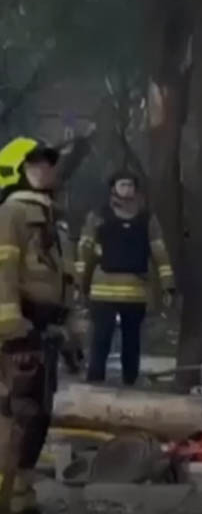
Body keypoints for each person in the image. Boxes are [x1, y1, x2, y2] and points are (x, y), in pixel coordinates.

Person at [0, 137, 72, 514]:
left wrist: (71, 329)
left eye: (48, 163)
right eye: (35, 164)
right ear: (15, 170)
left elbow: (62, 278)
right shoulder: (11, 213)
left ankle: (21, 493)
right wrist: (11, 326)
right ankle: (6, 493)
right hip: (21, 329)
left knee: (39, 414)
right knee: (20, 413)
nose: (45, 169)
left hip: (44, 330)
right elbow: (4, 272)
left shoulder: (48, 215)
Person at [76, 171, 175, 386]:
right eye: (122, 185)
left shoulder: (147, 218)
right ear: (113, 188)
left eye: (130, 185)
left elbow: (160, 252)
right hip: (103, 289)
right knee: (100, 339)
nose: (127, 189)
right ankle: (94, 383)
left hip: (135, 291)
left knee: (132, 341)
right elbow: (85, 250)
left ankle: (130, 382)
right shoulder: (99, 215)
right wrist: (80, 283)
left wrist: (168, 285)